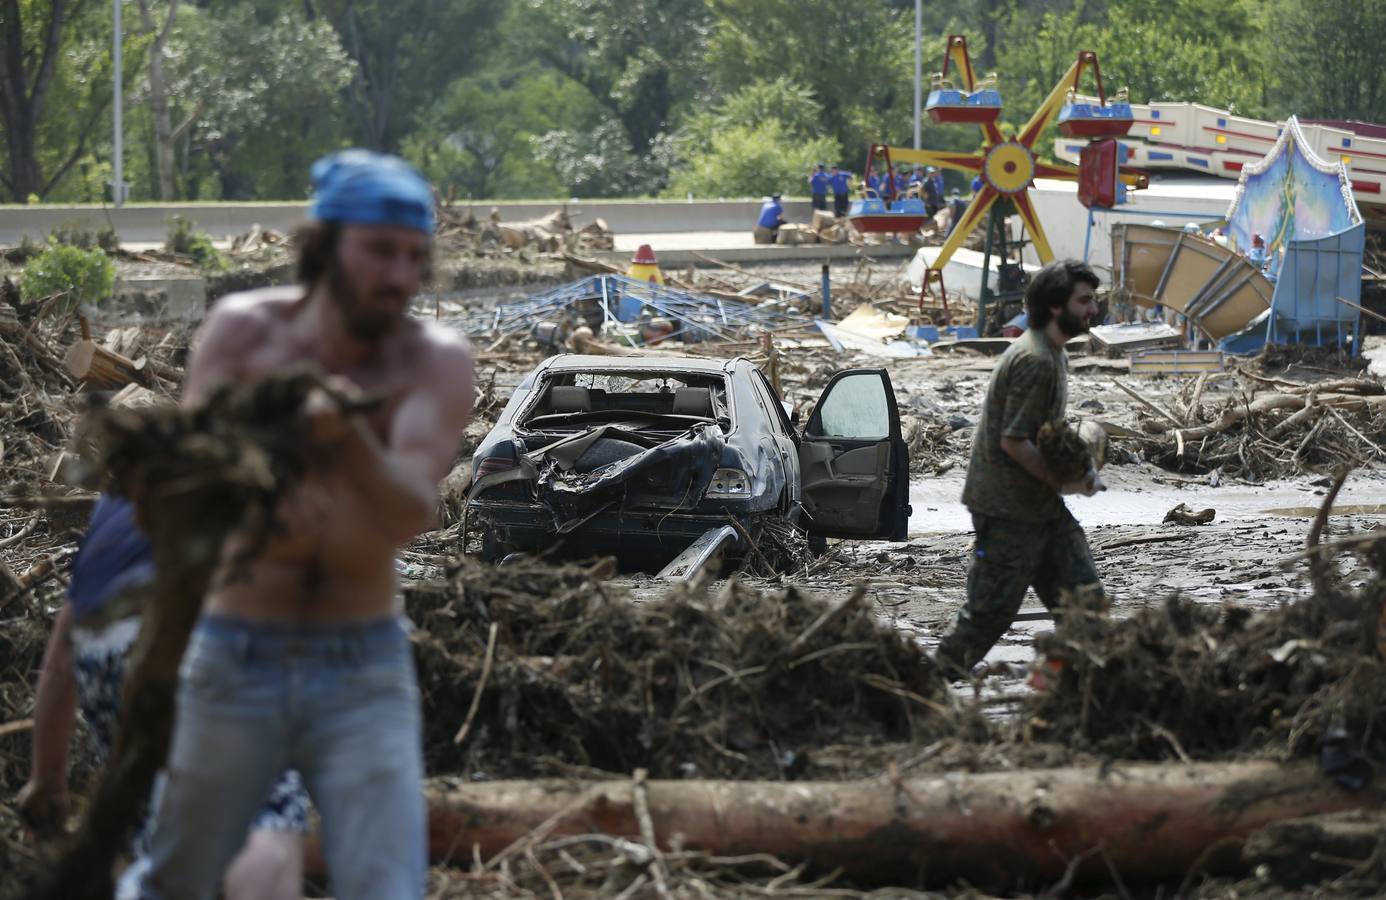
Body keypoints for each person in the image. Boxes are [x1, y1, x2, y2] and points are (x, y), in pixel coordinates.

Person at [125, 149, 476, 900]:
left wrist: (345, 438)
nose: (399, 275)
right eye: (380, 250)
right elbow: (188, 491)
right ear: (323, 246)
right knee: (176, 879)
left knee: (386, 885)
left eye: (415, 256)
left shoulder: (433, 362)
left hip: (363, 664)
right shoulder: (242, 334)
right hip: (232, 650)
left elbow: (410, 512)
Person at [17, 497, 309, 900]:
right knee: (266, 814)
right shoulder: (256, 476)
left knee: (158, 831)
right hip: (200, 643)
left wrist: (47, 778)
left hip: (104, 664)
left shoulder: (119, 502)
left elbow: (59, 659)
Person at [935, 259, 1106, 679]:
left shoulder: (1051, 353)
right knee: (986, 616)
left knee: (1085, 605)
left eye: (1093, 301)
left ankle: (1062, 689)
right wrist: (1063, 482)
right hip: (1009, 509)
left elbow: (1041, 434)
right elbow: (1013, 440)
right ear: (1054, 307)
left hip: (1038, 507)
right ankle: (916, 692)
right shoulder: (1035, 360)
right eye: (1084, 301)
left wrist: (1076, 466)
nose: (1092, 311)